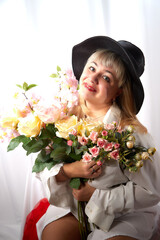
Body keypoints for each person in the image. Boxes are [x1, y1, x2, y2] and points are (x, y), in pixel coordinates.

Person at [34, 36, 160, 240]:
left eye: (106, 77)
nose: (93, 78)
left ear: (119, 91)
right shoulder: (62, 117)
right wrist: (67, 171)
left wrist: (97, 196)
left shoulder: (131, 134)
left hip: (123, 215)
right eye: (92, 68)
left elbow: (152, 191)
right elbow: (40, 166)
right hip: (75, 208)